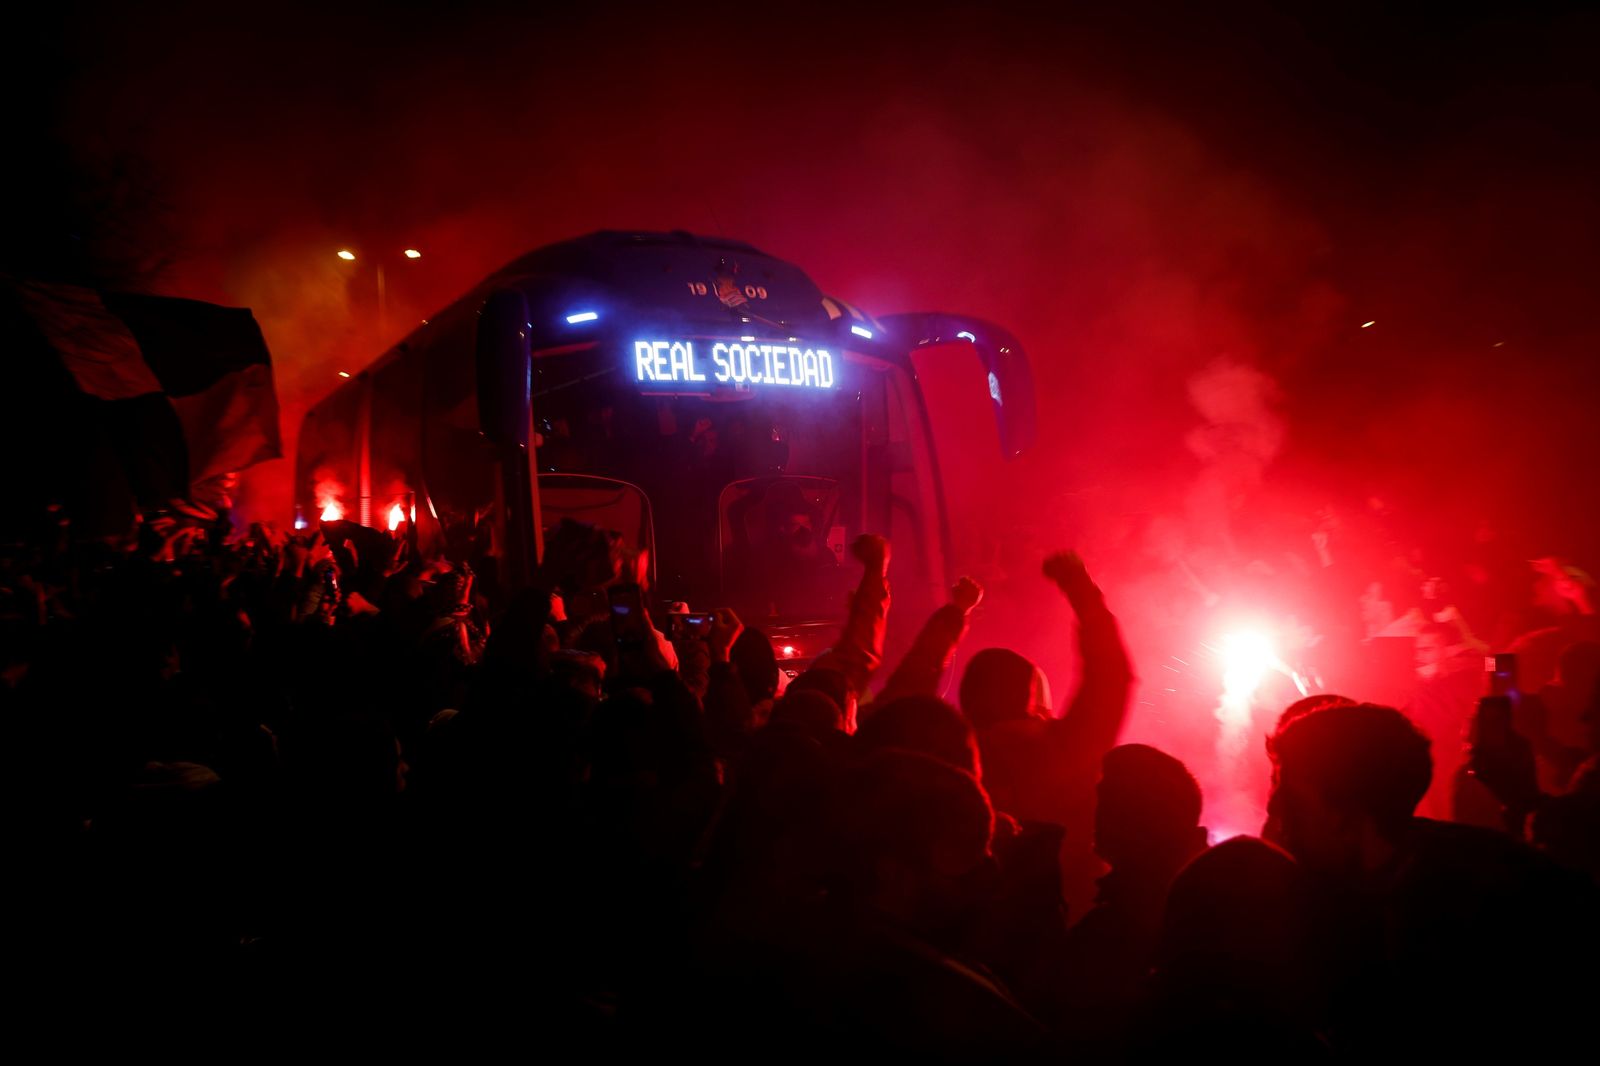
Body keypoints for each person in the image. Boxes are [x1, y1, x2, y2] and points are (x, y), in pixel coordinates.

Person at [1268, 702, 1597, 1058]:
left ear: (1346, 815)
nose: (1277, 817)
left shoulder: (1475, 903)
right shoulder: (1470, 861)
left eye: (1292, 801)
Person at [957, 550, 1133, 917]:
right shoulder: (1064, 751)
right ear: (1029, 696)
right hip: (1066, 919)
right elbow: (1110, 675)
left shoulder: (946, 762)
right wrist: (1080, 588)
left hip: (969, 929)